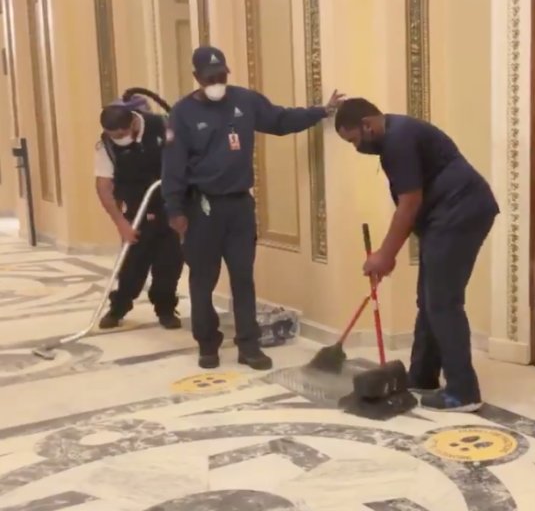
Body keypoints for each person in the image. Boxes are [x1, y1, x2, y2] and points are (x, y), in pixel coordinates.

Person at [162, 46, 343, 371]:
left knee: (244, 278)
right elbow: (172, 165)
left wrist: (321, 111)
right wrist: (174, 210)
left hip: (239, 206)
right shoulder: (182, 113)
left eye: (220, 76)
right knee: (203, 280)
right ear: (196, 78)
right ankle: (208, 344)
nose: (216, 82)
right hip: (201, 208)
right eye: (209, 78)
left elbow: (280, 119)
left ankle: (249, 345)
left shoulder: (245, 101)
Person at [334, 98, 499, 412]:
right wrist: (389, 252)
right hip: (445, 218)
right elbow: (411, 203)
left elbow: (409, 202)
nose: (356, 148)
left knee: (442, 301)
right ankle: (423, 375)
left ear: (367, 125)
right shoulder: (395, 137)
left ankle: (464, 392)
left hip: (461, 213)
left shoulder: (398, 140)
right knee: (429, 299)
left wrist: (385, 255)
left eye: (354, 139)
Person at [94, 92, 183, 330]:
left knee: (169, 265)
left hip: (169, 206)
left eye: (121, 134)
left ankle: (165, 309)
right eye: (114, 136)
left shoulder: (162, 126)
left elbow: (185, 159)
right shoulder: (107, 145)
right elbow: (104, 186)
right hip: (136, 209)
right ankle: (118, 308)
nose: (118, 139)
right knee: (132, 266)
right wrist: (121, 223)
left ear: (133, 122)